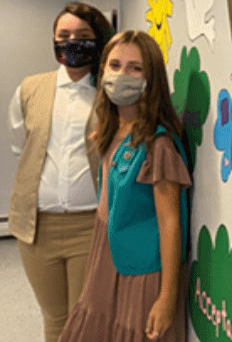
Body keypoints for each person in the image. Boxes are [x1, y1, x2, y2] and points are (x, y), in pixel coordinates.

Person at [60, 30, 191, 341]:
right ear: (103, 69)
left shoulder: (157, 145)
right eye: (115, 65)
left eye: (136, 68)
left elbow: (170, 223)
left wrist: (166, 297)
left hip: (144, 265)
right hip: (106, 248)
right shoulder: (108, 130)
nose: (122, 75)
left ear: (151, 78)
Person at [8, 2, 114, 342]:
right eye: (63, 35)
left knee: (86, 315)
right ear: (53, 40)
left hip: (90, 226)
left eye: (83, 36)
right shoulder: (29, 89)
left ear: (99, 41)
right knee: (54, 317)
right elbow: (21, 146)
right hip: (37, 227)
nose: (72, 42)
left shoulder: (110, 94)